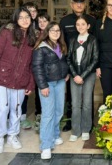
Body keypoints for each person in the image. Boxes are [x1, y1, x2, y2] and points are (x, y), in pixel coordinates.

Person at [0, 7, 37, 154]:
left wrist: (30, 83)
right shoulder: (6, 34)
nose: (25, 20)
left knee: (16, 109)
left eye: (27, 17)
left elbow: (33, 63)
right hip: (2, 79)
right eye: (21, 17)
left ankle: (12, 135)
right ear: (16, 19)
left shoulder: (32, 37)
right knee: (1, 109)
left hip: (21, 80)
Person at [60, 0, 97, 132]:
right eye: (76, 2)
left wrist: (96, 66)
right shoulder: (65, 21)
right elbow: (62, 44)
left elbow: (95, 44)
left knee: (88, 95)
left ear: (85, 4)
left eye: (82, 2)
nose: (79, 5)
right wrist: (66, 69)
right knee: (71, 95)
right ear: (71, 4)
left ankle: (89, 123)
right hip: (71, 65)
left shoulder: (92, 21)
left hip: (88, 65)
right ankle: (71, 121)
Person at [32, 22, 69, 160]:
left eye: (58, 30)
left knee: (59, 111)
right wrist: (43, 86)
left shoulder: (61, 45)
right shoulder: (41, 48)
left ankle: (54, 134)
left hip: (60, 82)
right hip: (47, 84)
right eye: (52, 30)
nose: (55, 32)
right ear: (47, 32)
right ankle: (46, 146)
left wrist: (66, 73)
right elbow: (37, 68)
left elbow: (64, 62)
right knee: (48, 114)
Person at [66, 15, 99, 142]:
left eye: (83, 24)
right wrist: (75, 75)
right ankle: (75, 130)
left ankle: (86, 128)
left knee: (86, 104)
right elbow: (68, 58)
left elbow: (95, 59)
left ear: (88, 26)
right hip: (75, 74)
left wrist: (83, 75)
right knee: (75, 104)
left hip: (88, 74)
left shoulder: (93, 40)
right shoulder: (73, 40)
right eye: (78, 24)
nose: (80, 27)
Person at [20, 2, 39, 130]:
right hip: (23, 64)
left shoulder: (39, 26)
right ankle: (21, 116)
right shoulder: (19, 27)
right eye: (29, 11)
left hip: (36, 62)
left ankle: (39, 113)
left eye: (34, 11)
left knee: (38, 89)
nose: (32, 13)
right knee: (23, 91)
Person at [32, 12, 51, 131]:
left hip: (51, 70)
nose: (42, 23)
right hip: (39, 69)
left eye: (45, 21)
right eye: (40, 21)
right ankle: (39, 115)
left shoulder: (54, 33)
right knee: (38, 92)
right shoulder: (34, 35)